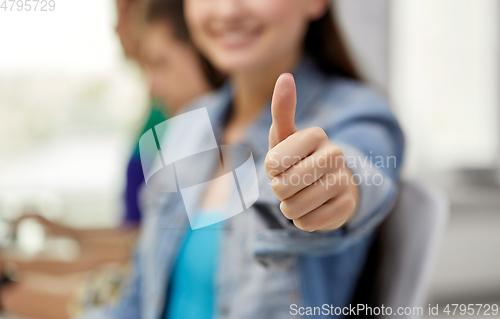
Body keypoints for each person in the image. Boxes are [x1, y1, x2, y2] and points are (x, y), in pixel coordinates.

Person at [81, 0, 405, 318]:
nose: (227, 10)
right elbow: (138, 296)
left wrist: (332, 188)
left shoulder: (357, 115)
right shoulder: (185, 127)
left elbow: (358, 168)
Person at [0, 0, 221, 317]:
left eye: (126, 13)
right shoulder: (182, 127)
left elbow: (136, 265)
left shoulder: (201, 135)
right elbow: (141, 255)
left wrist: (16, 282)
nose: (118, 27)